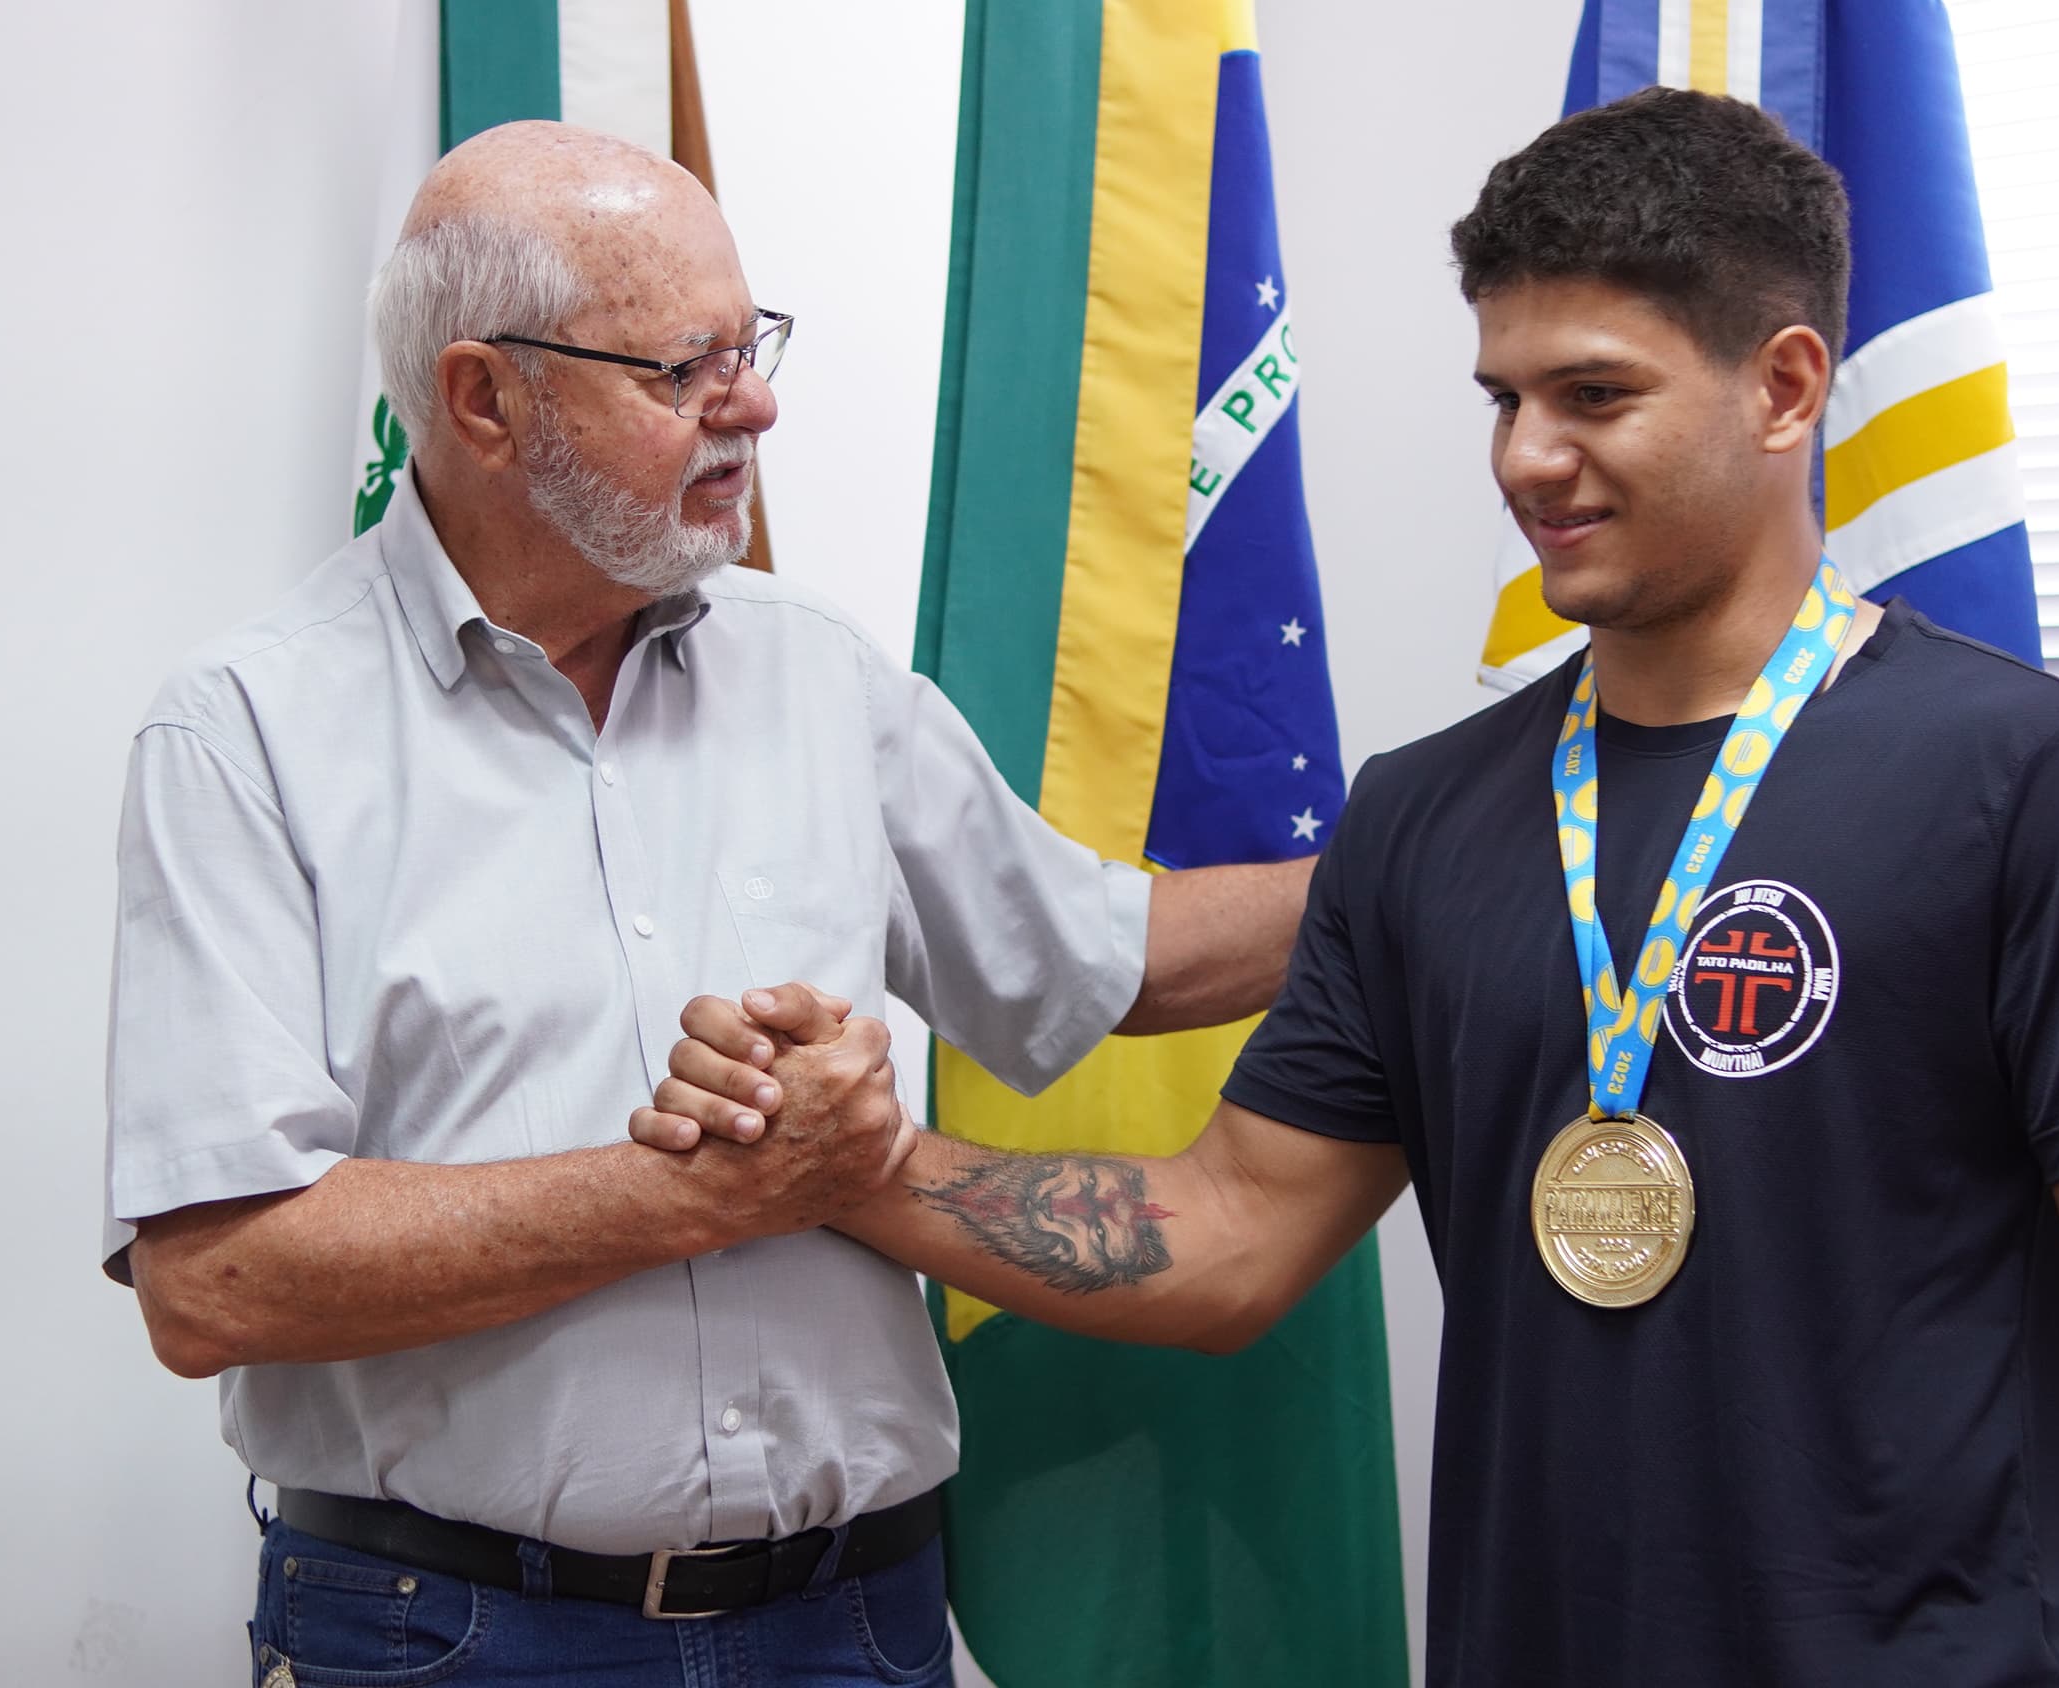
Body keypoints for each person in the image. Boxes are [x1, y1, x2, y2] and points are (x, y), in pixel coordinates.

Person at [640, 90, 2059, 1687]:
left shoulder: (2030, 780)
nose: (1529, 458)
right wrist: (867, 1168)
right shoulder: (1426, 817)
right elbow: (1230, 1232)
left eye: (1595, 395)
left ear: (1785, 388)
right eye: (1504, 398)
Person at [100, 122, 1311, 1687]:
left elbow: (1113, 961)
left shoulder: (822, 674)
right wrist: (703, 1190)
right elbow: (214, 1279)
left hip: (852, 1621)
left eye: (751, 347)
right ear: (483, 399)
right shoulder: (247, 733)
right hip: (453, 1635)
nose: (754, 406)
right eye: (683, 371)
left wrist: (1455, 835)